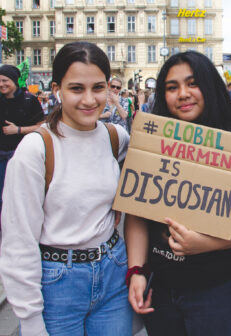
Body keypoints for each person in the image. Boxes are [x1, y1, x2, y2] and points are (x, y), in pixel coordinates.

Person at [124, 51, 231, 336]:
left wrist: (208, 243)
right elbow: (136, 212)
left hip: (217, 290)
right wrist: (136, 270)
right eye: (172, 87)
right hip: (160, 289)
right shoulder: (151, 136)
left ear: (210, 85)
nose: (183, 94)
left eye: (192, 83)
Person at [0, 42, 132, 336]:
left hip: (113, 272)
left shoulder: (116, 137)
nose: (89, 99)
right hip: (57, 283)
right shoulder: (35, 149)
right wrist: (31, 319)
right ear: (58, 89)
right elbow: (18, 239)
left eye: (98, 87)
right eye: (76, 89)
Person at [0, 64, 44, 222]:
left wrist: (18, 130)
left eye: (5, 80)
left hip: (20, 155)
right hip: (1, 156)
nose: (1, 84)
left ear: (14, 81)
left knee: (19, 197)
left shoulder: (29, 100)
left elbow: (42, 126)